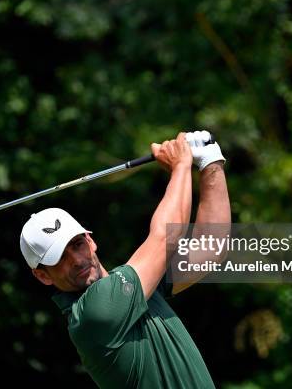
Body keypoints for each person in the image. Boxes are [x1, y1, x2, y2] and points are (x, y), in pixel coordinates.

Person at [19, 130, 230, 388]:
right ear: (42, 275)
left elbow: (210, 249)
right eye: (59, 257)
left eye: (76, 244)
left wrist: (210, 162)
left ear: (90, 240)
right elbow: (165, 238)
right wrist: (181, 165)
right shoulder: (93, 314)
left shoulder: (135, 288)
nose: (75, 260)